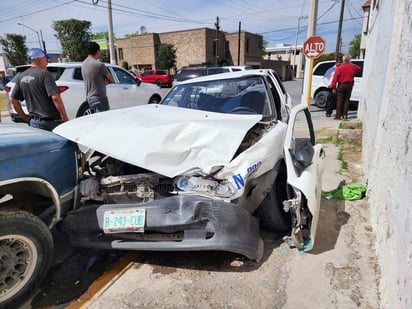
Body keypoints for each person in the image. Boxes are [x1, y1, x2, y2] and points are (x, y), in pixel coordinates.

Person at [10, 48, 69, 131]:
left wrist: (25, 117)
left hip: (33, 123)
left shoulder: (21, 76)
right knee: (68, 144)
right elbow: (55, 97)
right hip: (50, 123)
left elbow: (13, 100)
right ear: (39, 59)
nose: (47, 62)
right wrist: (65, 117)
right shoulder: (44, 74)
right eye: (46, 59)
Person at [81, 42, 115, 113]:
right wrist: (105, 82)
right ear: (97, 51)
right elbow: (112, 80)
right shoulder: (99, 65)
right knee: (104, 121)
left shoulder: (83, 64)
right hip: (100, 98)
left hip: (90, 99)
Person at [329, 53, 361, 120]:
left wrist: (334, 88)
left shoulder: (339, 68)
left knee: (339, 101)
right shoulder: (352, 66)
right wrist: (351, 63)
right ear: (349, 60)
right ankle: (344, 115)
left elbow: (335, 79)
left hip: (341, 84)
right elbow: (359, 69)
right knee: (347, 100)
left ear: (343, 60)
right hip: (349, 84)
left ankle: (338, 116)